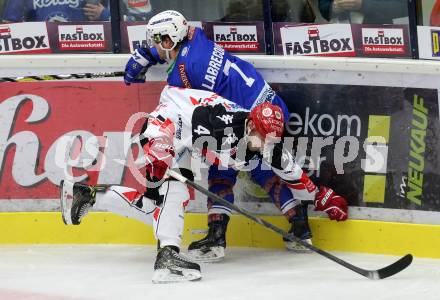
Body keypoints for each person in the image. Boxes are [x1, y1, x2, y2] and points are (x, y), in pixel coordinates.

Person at [60, 85, 348, 283]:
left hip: (185, 141)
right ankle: (168, 258)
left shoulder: (265, 141)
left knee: (154, 206)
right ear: (250, 126)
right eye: (264, 137)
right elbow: (191, 128)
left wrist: (322, 197)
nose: (268, 144)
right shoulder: (224, 125)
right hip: (167, 124)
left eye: (272, 139)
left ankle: (87, 197)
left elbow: (293, 174)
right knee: (174, 190)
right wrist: (161, 155)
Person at [123, 10, 342, 261]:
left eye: (159, 41)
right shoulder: (195, 37)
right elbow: (174, 50)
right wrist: (149, 54)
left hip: (247, 117)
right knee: (263, 166)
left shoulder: (184, 71)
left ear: (172, 38)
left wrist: (143, 59)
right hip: (269, 105)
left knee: (223, 168)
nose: (156, 45)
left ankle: (217, 236)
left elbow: (179, 100)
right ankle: (301, 229)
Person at [2, 0, 110, 22]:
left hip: (83, 49)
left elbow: (122, 21)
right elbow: (9, 25)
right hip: (40, 53)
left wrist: (105, 15)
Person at [318, 0, 407, 24]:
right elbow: (323, 6)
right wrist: (332, 7)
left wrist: (363, 5)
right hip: (341, 39)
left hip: (378, 40)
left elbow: (404, 8)